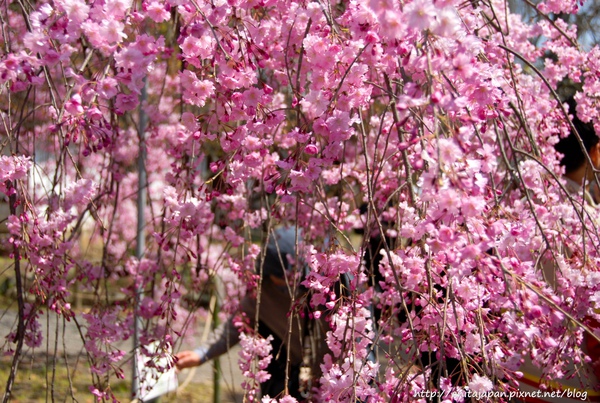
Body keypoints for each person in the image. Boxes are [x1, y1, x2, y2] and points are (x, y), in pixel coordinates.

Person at [175, 226, 328, 400]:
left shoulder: (323, 288)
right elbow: (234, 327)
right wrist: (201, 354)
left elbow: (328, 341)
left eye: (291, 276)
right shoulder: (262, 293)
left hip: (324, 374)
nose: (286, 282)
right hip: (282, 369)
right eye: (280, 276)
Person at [516, 97, 600, 402]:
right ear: (596, 152)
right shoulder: (593, 225)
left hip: (518, 378)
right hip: (575, 384)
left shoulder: (514, 217)